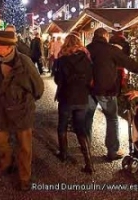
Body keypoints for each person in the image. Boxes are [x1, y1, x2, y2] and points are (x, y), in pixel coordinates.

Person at [85, 28, 138, 161]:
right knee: (112, 119)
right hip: (107, 90)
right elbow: (128, 62)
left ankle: (85, 146)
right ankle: (112, 151)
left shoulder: (86, 49)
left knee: (88, 117)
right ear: (105, 36)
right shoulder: (111, 49)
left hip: (89, 89)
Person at [0, 30, 44, 191]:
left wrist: (24, 100)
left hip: (22, 109)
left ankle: (24, 177)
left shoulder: (24, 61)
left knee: (24, 146)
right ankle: (7, 162)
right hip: (2, 107)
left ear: (9, 47)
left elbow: (39, 87)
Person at [53, 33, 94, 174]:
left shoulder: (62, 59)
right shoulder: (87, 59)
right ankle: (89, 163)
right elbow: (90, 78)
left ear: (66, 43)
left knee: (62, 126)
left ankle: (63, 154)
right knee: (80, 128)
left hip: (66, 97)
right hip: (82, 97)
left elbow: (57, 79)